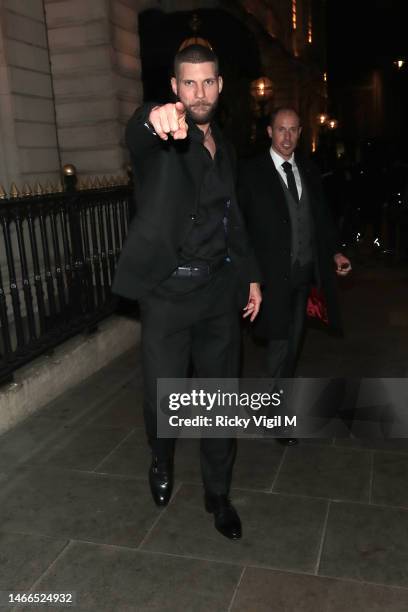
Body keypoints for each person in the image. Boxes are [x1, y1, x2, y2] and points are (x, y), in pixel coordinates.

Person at [112, 44, 261, 539]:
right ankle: (161, 454)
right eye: (188, 83)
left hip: (219, 291)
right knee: (162, 399)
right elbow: (138, 131)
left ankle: (218, 495)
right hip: (168, 295)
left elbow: (231, 215)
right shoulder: (162, 138)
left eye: (208, 81)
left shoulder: (229, 145)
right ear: (174, 87)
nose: (199, 92)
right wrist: (155, 120)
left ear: (220, 85)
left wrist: (252, 274)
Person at [239, 107, 351, 445]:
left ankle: (272, 402)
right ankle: (276, 414)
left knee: (293, 342)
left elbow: (320, 217)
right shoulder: (250, 173)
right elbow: (240, 228)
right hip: (269, 278)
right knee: (280, 342)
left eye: (292, 130)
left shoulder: (309, 170)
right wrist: (248, 275)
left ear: (300, 133)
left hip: (303, 274)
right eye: (280, 130)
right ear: (269, 133)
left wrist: (334, 251)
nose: (286, 137)